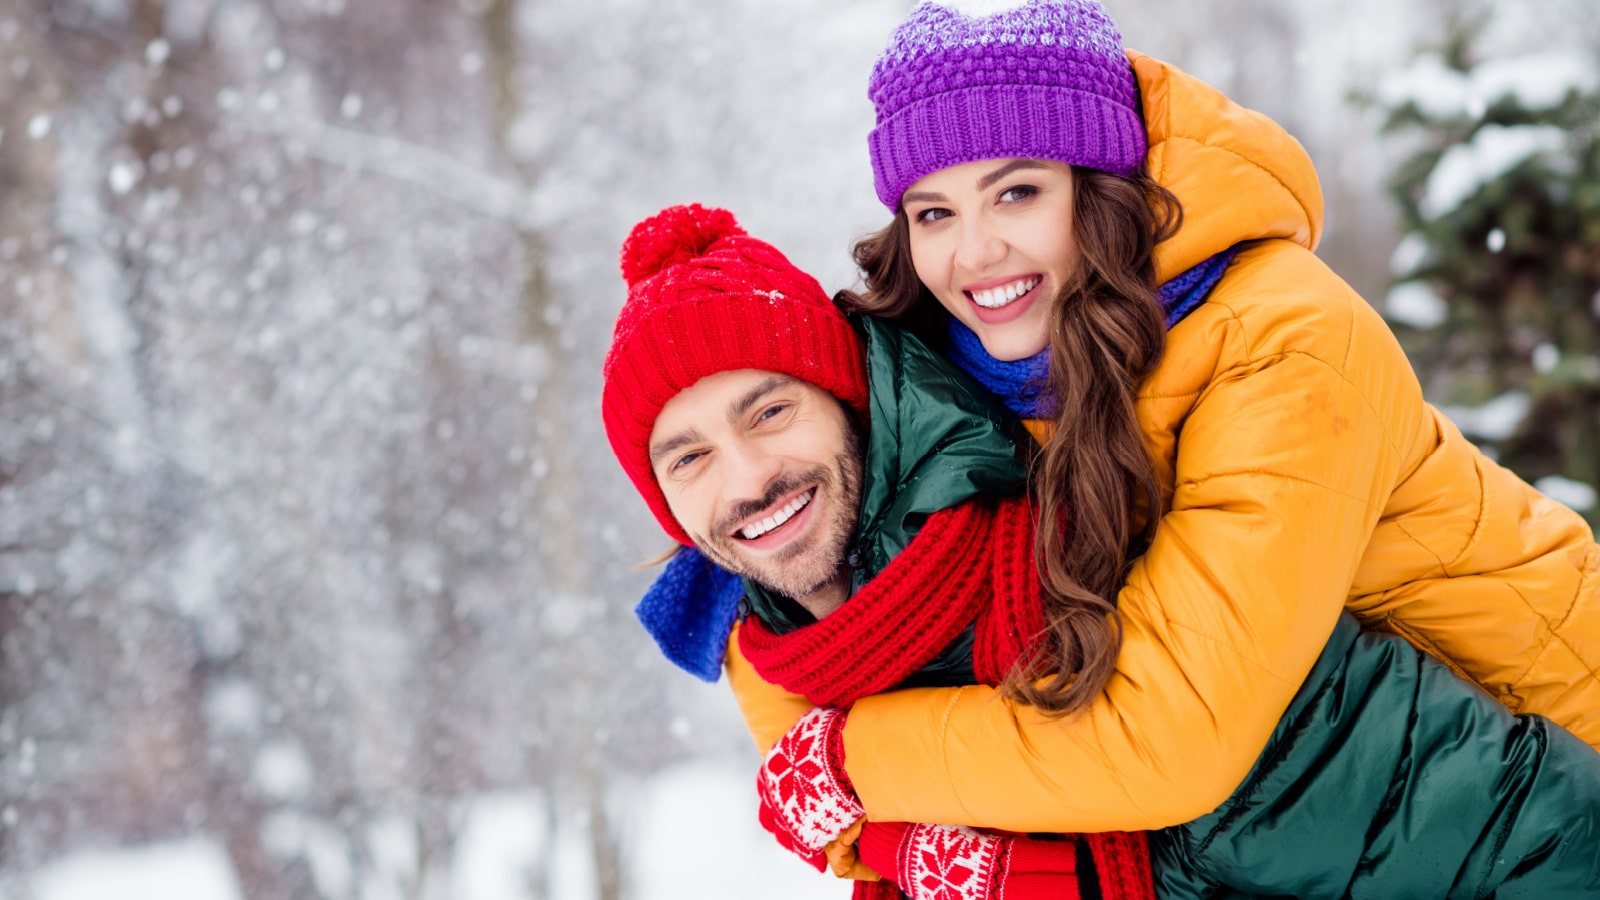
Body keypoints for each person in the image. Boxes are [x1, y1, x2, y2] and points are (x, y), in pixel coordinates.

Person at [726, 0, 1600, 891]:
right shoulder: (966, 373)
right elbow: (778, 567)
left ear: (1100, 189)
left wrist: (850, 764)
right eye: (933, 212)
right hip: (1352, 831)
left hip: (1544, 788)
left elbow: (1172, 734)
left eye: (1017, 192)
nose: (976, 252)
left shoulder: (1286, 337)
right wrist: (876, 836)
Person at [601, 203, 1600, 899]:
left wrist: (857, 777)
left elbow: (1541, 829)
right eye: (686, 458)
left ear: (853, 400)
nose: (744, 479)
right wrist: (898, 834)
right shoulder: (778, 633)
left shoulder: (1100, 556)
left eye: (769, 410)